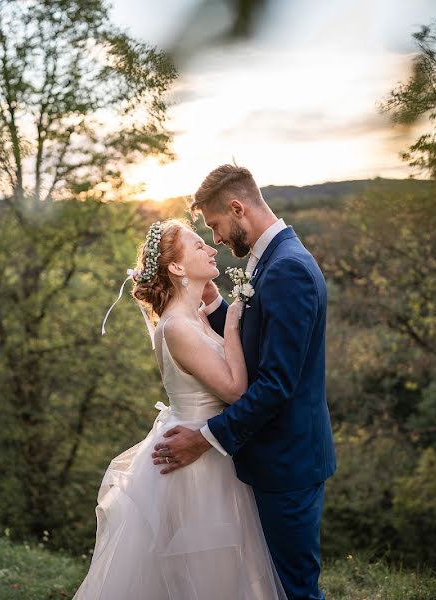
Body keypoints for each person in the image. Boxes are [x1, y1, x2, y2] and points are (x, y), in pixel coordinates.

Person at [74, 219, 286, 599]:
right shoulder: (178, 327)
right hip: (197, 469)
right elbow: (236, 390)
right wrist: (234, 324)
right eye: (199, 245)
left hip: (211, 452)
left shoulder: (195, 317)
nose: (211, 249)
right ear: (175, 267)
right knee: (203, 577)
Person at [152, 165, 336, 600]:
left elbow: (274, 384)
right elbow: (254, 347)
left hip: (288, 462)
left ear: (237, 208)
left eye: (214, 226)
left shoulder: (287, 268)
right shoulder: (271, 260)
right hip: (269, 458)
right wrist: (217, 309)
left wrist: (206, 437)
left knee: (294, 591)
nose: (216, 239)